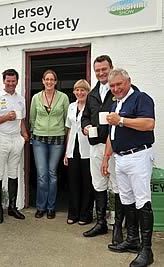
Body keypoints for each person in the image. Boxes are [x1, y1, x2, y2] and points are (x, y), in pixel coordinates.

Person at [101, 68, 155, 267]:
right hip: (120, 158)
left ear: (128, 81)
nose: (115, 89)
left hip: (138, 156)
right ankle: (132, 240)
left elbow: (149, 123)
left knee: (143, 202)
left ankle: (146, 250)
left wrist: (122, 120)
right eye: (112, 86)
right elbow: (111, 134)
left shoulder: (141, 98)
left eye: (119, 85)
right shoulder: (117, 104)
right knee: (127, 200)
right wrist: (106, 157)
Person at [81, 55, 125, 243]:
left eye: (104, 69)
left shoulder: (118, 91)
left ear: (111, 68)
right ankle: (101, 223)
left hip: (114, 147)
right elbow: (85, 116)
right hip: (95, 146)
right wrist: (85, 126)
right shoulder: (92, 94)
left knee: (117, 185)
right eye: (97, 70)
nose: (100, 73)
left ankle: (117, 227)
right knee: (98, 184)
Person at [0, 68, 28, 224]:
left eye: (13, 81)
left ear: (17, 81)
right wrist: (5, 117)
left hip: (16, 138)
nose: (11, 83)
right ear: (3, 81)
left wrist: (24, 134)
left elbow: (21, 119)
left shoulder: (21, 99)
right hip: (1, 139)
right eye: (8, 81)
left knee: (13, 173)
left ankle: (12, 207)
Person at [30, 69, 69, 219]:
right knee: (42, 174)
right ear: (43, 81)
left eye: (52, 79)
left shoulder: (63, 97)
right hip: (39, 139)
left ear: (56, 81)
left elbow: (67, 119)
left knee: (52, 174)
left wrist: (66, 138)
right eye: (47, 79)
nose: (49, 82)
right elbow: (32, 118)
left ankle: (51, 207)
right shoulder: (36, 98)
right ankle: (41, 206)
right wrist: (32, 134)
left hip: (57, 139)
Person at [63, 79, 94, 225]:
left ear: (88, 92)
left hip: (87, 149)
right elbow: (69, 129)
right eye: (77, 90)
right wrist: (66, 153)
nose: (80, 93)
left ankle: (85, 215)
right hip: (72, 149)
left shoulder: (91, 107)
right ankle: (73, 213)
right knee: (73, 182)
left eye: (83, 90)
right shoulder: (71, 106)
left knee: (87, 183)